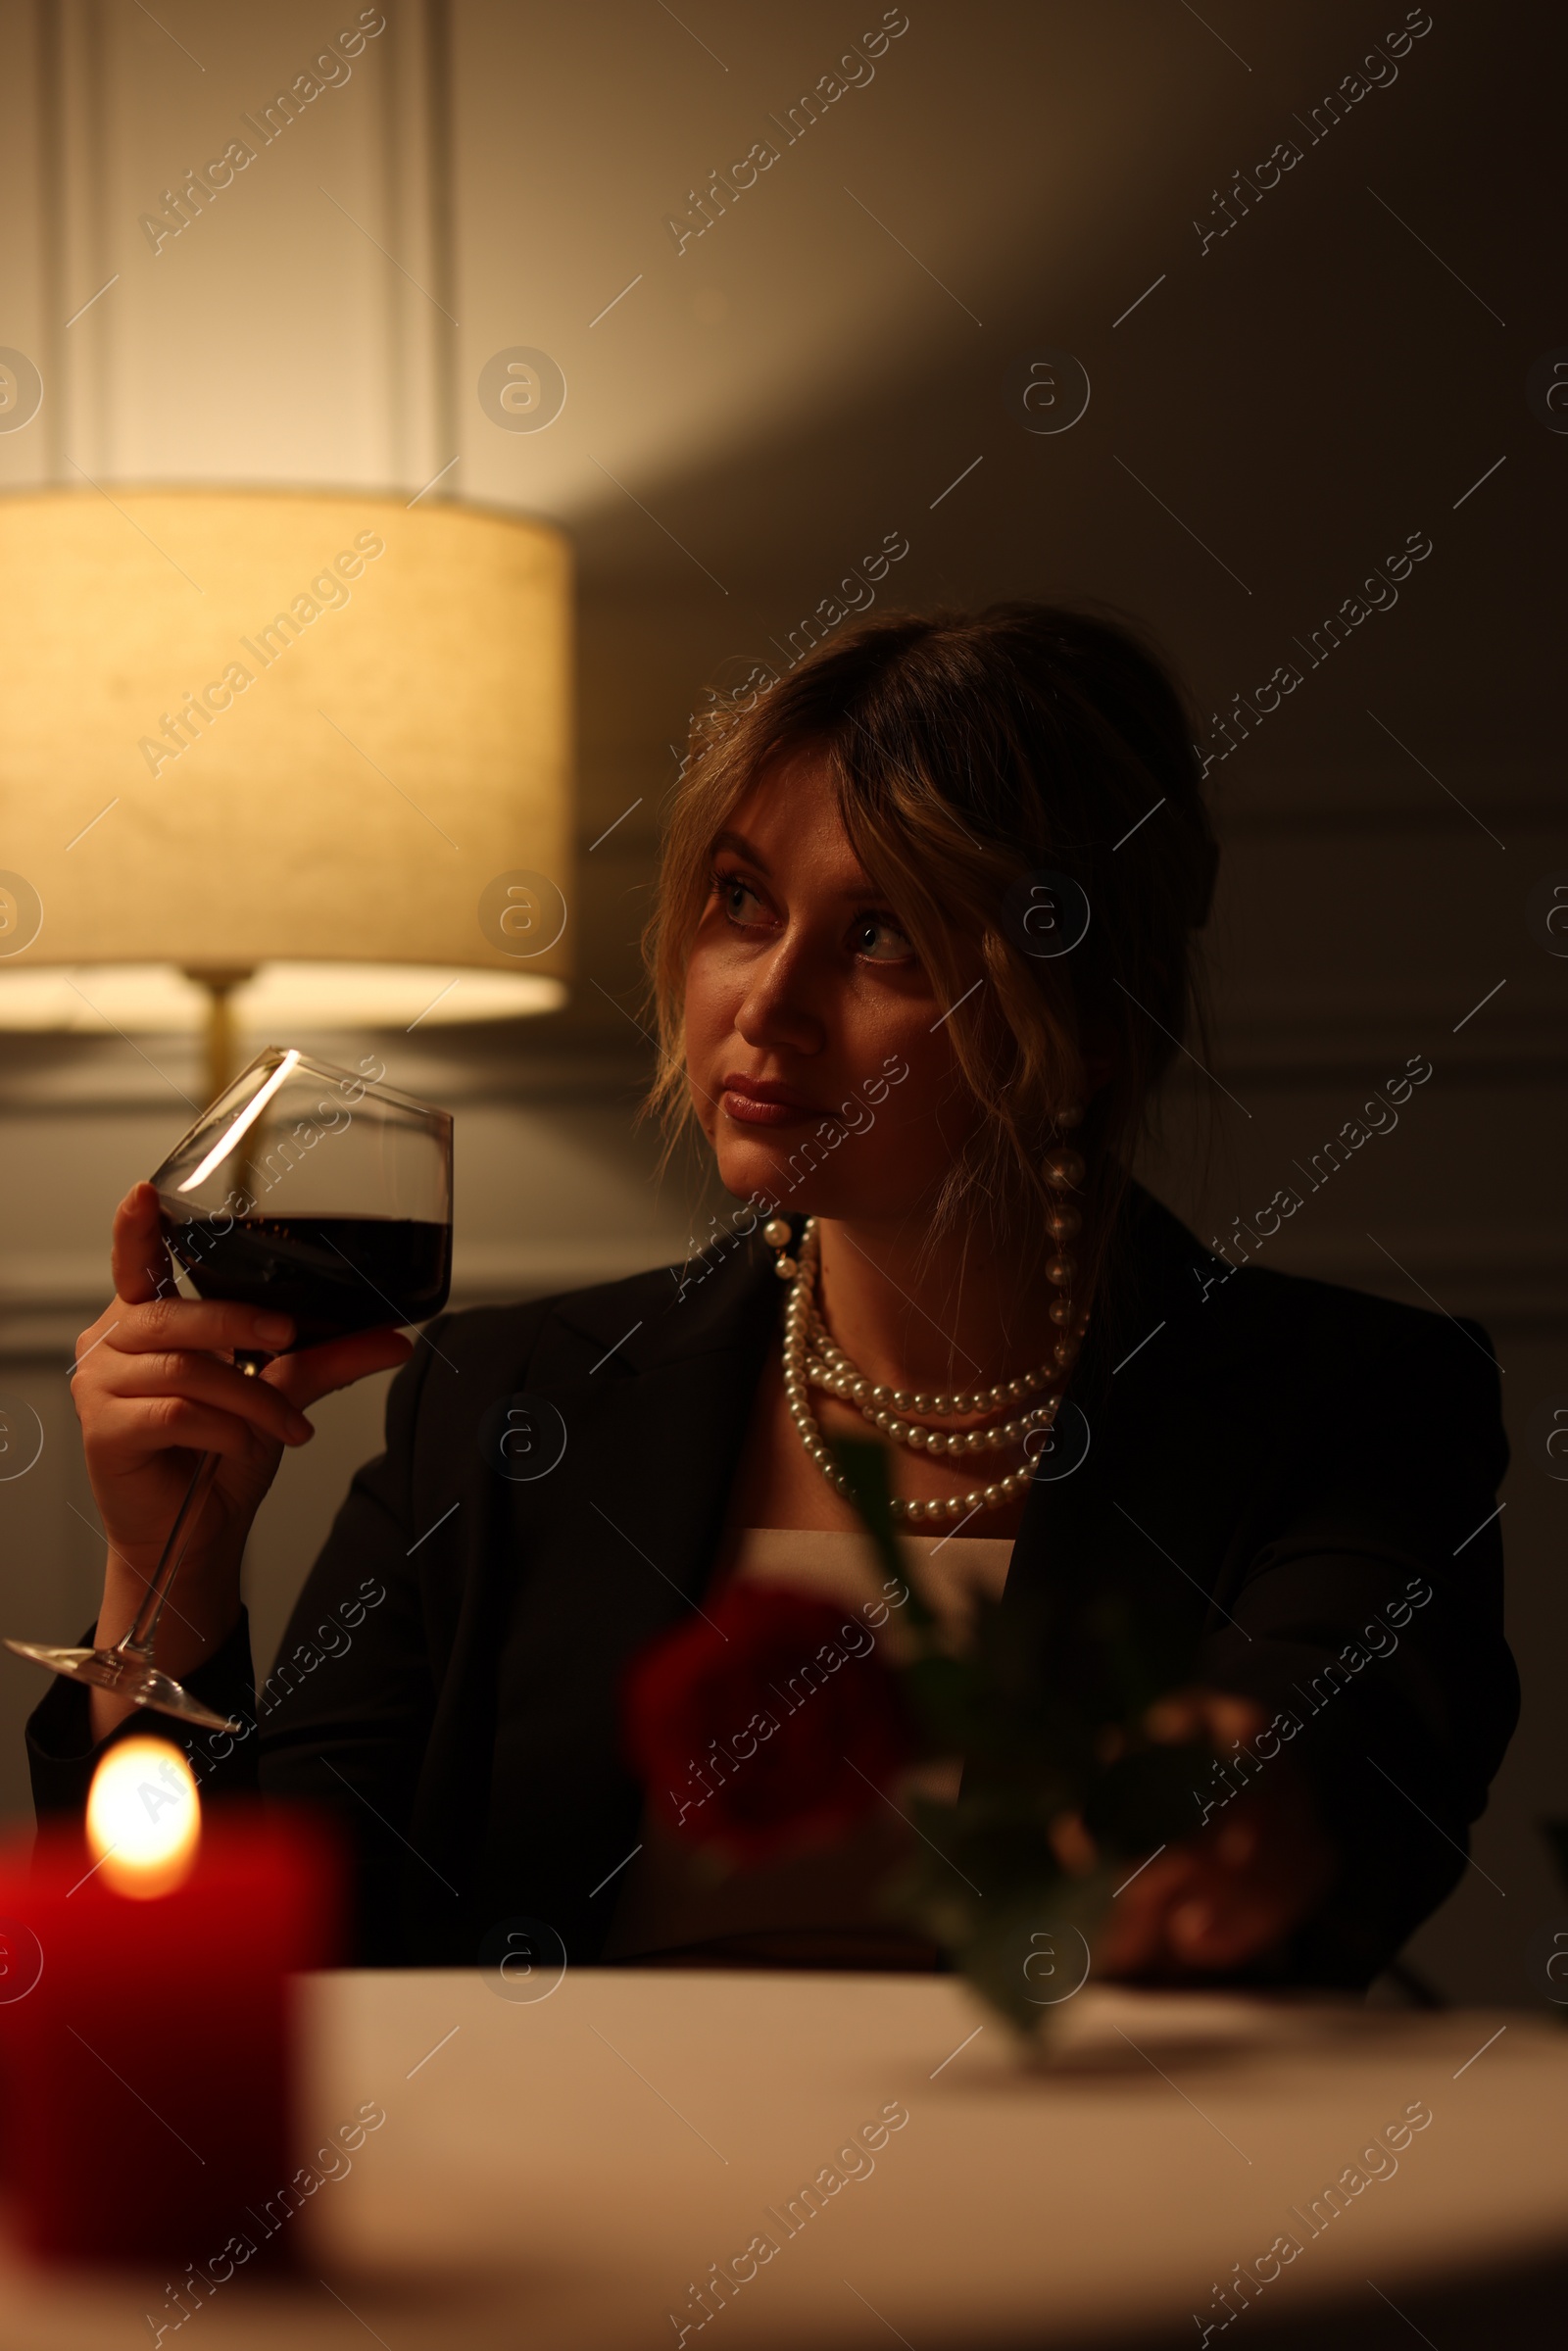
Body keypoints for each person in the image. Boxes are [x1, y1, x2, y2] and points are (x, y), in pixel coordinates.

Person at [29, 603, 1516, 1986]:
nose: (766, 1003)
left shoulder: (1347, 1401)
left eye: (883, 936)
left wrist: (1243, 1790)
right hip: (578, 2240)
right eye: (742, 902)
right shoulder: (505, 1406)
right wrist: (165, 1582)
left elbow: (1353, 1752)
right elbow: (267, 1958)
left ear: (1084, 1023)